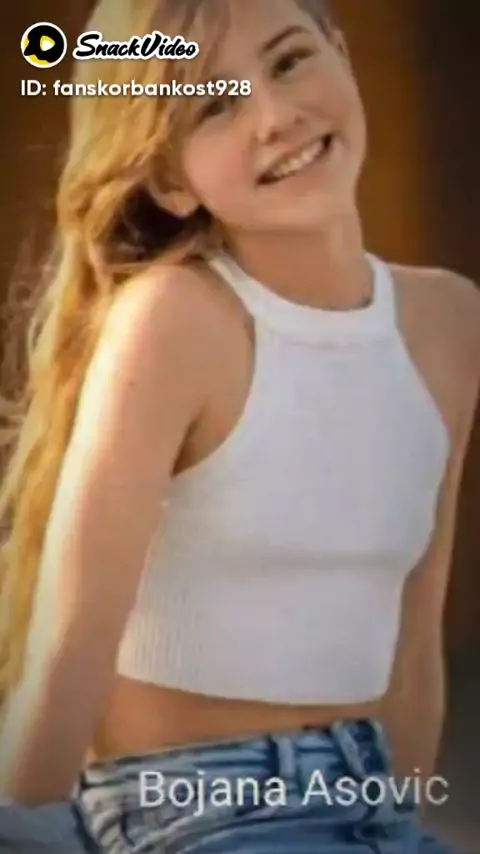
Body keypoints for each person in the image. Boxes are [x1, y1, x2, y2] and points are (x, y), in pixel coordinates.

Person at [0, 0, 479, 851]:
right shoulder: (174, 319)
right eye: (214, 105)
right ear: (170, 183)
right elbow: (69, 647)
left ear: (343, 56)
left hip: (369, 801)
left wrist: (398, 823)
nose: (274, 115)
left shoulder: (449, 320)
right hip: (192, 809)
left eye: (290, 60)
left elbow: (414, 633)